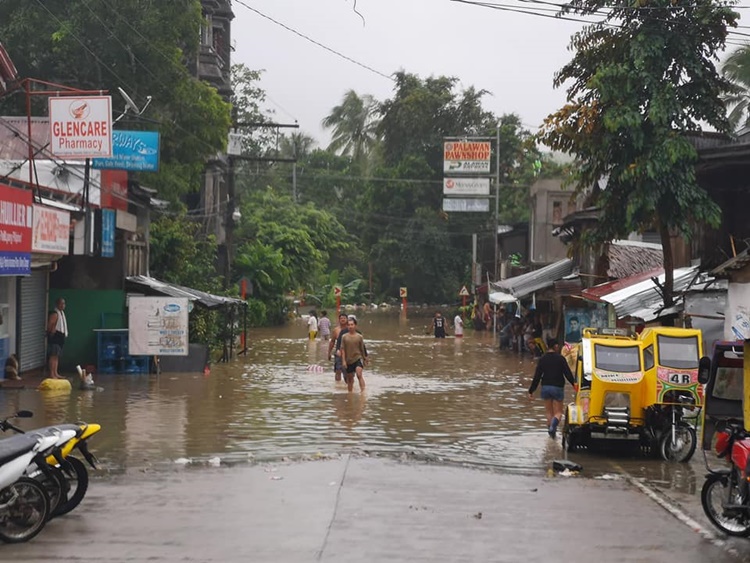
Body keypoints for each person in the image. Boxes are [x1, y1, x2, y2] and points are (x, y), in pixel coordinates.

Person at [528, 339, 576, 438]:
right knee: (558, 413)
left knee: (549, 412)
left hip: (545, 387)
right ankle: (553, 427)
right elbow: (568, 374)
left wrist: (531, 390)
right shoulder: (561, 359)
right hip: (557, 387)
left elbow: (537, 376)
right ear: (556, 346)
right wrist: (574, 384)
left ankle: (551, 436)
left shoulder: (542, 359)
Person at [340, 317, 368, 393]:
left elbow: (362, 348)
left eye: (352, 325)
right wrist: (344, 361)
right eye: (348, 325)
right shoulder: (344, 337)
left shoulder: (359, 337)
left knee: (359, 374)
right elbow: (342, 349)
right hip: (349, 360)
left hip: (358, 358)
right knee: (350, 379)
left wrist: (365, 358)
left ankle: (363, 392)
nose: (350, 326)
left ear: (355, 325)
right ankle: (350, 394)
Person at [46, 297, 68, 379]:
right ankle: (51, 373)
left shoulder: (61, 313)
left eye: (64, 304)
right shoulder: (55, 313)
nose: (63, 305)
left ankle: (55, 372)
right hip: (55, 336)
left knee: (57, 355)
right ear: (57, 304)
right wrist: (51, 332)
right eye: (61, 304)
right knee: (53, 355)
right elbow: (50, 325)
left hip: (61, 336)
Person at [328, 312, 349, 382]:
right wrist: (329, 352)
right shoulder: (336, 330)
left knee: (347, 371)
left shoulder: (350, 329)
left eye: (344, 318)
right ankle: (338, 386)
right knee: (338, 370)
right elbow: (332, 341)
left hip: (349, 353)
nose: (343, 320)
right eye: (341, 318)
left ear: (347, 320)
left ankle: (348, 385)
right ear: (339, 320)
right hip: (338, 352)